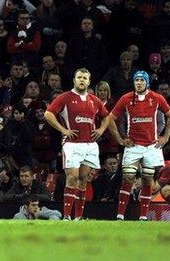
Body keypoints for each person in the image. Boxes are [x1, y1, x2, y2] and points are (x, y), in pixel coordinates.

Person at [106, 70, 170, 220]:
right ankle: (120, 215)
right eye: (136, 80)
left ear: (147, 82)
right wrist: (119, 139)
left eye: (141, 80)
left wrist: (165, 137)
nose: (139, 82)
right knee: (128, 178)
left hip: (152, 146)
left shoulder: (157, 98)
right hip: (133, 146)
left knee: (147, 180)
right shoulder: (126, 98)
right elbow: (110, 118)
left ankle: (143, 217)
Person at [44, 68, 109, 220]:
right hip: (71, 144)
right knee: (72, 177)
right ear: (74, 80)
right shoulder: (65, 97)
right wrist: (63, 130)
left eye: (84, 78)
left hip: (89, 145)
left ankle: (78, 217)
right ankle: (67, 216)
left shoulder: (94, 100)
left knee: (83, 180)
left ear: (89, 81)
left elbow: (106, 117)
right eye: (79, 77)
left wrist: (101, 129)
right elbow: (48, 114)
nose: (82, 80)